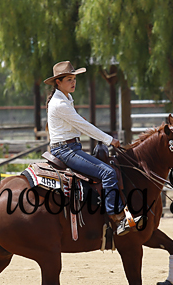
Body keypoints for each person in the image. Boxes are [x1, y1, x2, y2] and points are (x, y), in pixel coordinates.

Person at [45, 61, 136, 235]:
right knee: (108, 172)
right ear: (58, 82)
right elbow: (85, 127)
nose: (73, 82)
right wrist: (109, 140)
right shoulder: (61, 104)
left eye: (74, 79)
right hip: (66, 150)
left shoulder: (65, 99)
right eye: (69, 79)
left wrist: (79, 124)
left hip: (69, 147)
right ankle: (116, 218)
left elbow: (76, 125)